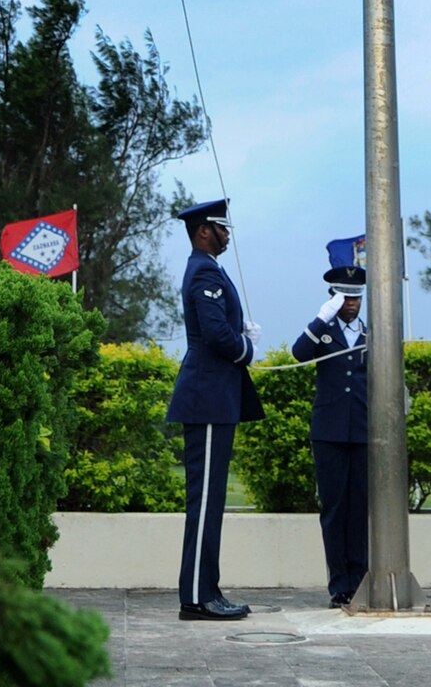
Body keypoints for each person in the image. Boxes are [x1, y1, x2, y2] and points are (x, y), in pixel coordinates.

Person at [166, 197, 263, 622]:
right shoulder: (203, 269)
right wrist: (247, 348)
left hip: (215, 399)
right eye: (223, 227)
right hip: (207, 398)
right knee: (204, 502)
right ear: (205, 230)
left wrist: (240, 335)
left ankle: (206, 590)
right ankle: (198, 597)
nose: (228, 234)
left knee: (211, 500)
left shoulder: (210, 269)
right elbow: (216, 334)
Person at [291, 249, 368, 607]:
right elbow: (299, 352)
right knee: (334, 509)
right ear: (333, 297)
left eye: (355, 297)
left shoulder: (372, 333)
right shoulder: (323, 333)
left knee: (360, 509)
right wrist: (321, 320)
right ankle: (340, 585)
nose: (351, 304)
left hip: (364, 432)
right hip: (329, 432)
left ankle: (362, 579)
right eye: (344, 297)